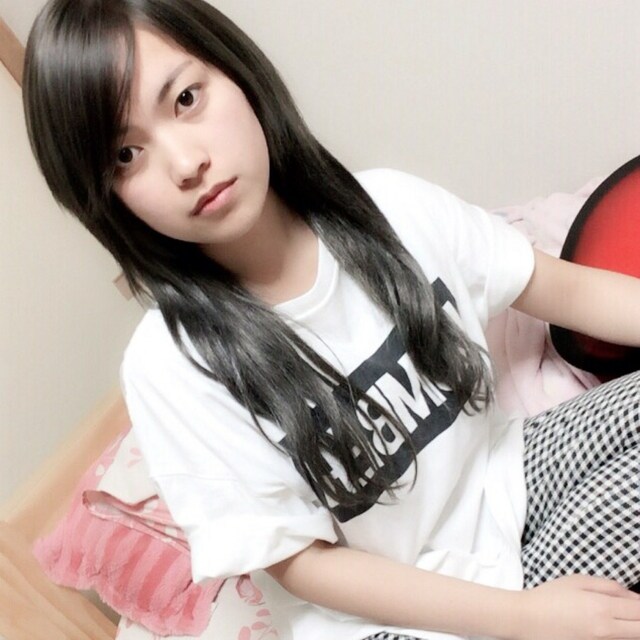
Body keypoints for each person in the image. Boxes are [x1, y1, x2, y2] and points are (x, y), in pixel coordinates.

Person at [22, 1, 640, 639]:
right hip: (385, 616)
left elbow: (565, 288)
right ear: (105, 197)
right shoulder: (170, 366)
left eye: (185, 99)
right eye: (126, 155)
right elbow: (306, 565)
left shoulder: (393, 208)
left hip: (508, 483)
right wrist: (526, 618)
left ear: (235, 71)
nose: (185, 163)